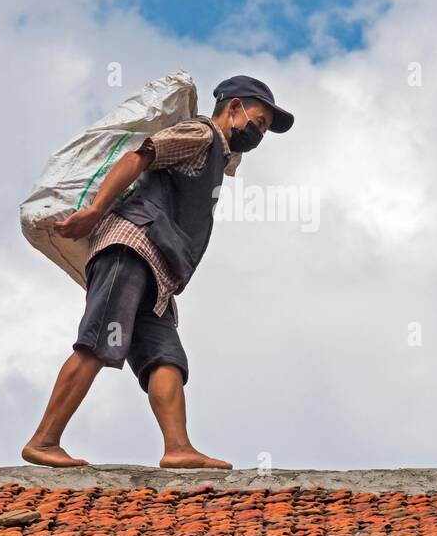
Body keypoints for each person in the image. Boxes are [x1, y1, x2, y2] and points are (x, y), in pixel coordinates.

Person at [22, 75, 294, 468]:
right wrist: (95, 211)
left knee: (165, 356)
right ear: (233, 108)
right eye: (259, 122)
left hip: (159, 272)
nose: (258, 134)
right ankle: (44, 440)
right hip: (130, 247)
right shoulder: (199, 134)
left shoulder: (217, 155)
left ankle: (178, 448)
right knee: (98, 341)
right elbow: (139, 156)